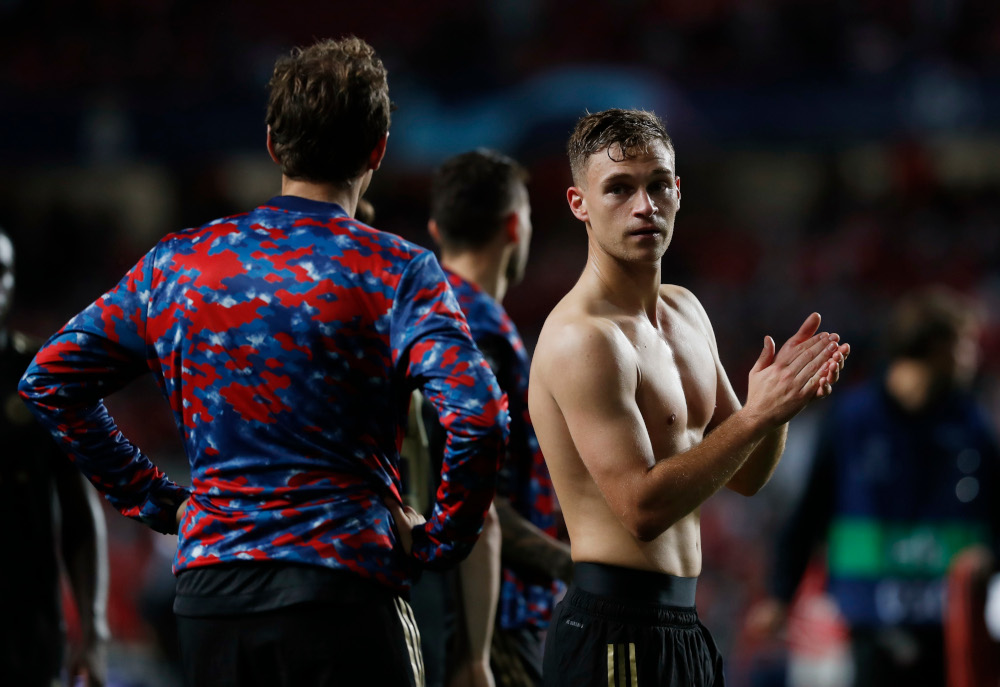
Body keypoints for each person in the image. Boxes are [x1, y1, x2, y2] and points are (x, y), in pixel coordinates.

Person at [19, 37, 509, 687]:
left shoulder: (177, 265)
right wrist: (440, 541)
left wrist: (161, 503)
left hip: (213, 601)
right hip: (346, 591)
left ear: (273, 143)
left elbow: (50, 380)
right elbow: (480, 418)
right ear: (378, 150)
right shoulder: (398, 271)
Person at [527, 108, 850, 687]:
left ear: (678, 191)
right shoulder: (584, 337)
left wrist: (773, 414)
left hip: (681, 625)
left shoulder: (685, 310)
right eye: (619, 189)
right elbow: (641, 511)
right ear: (579, 203)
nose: (643, 206)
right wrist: (754, 414)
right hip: (614, 634)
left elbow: (748, 476)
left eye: (656, 186)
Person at [748, 286, 1000, 687]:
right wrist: (781, 595)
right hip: (867, 620)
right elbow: (810, 510)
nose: (974, 357)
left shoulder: (973, 426)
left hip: (947, 622)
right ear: (935, 347)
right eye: (965, 344)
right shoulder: (852, 421)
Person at [409, 149, 573, 687]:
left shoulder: (421, 315)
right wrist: (576, 567)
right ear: (513, 226)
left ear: (437, 228)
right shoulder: (477, 332)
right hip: (486, 620)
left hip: (438, 608)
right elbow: (476, 498)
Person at [0, 226, 110, 687]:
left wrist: (94, 628)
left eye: (0, 270)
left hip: (25, 639)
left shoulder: (41, 382)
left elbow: (80, 515)